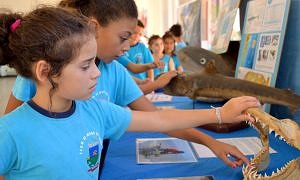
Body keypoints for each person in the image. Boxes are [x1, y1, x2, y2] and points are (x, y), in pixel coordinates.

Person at [0, 7, 261, 179]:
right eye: (85, 65)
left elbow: (159, 119)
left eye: (94, 62)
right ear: (45, 72)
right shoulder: (9, 132)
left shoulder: (95, 111)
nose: (97, 73)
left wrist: (220, 113)